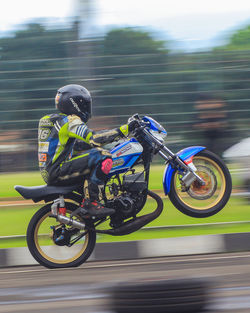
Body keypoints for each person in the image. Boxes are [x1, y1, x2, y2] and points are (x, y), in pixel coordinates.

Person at [38, 84, 135, 218]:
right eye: (85, 104)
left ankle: (95, 206)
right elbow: (94, 138)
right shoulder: (70, 121)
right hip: (58, 171)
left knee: (97, 153)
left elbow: (78, 145)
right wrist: (124, 130)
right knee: (103, 156)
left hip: (50, 171)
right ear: (74, 104)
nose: (87, 108)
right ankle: (92, 203)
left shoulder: (49, 120)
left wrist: (112, 141)